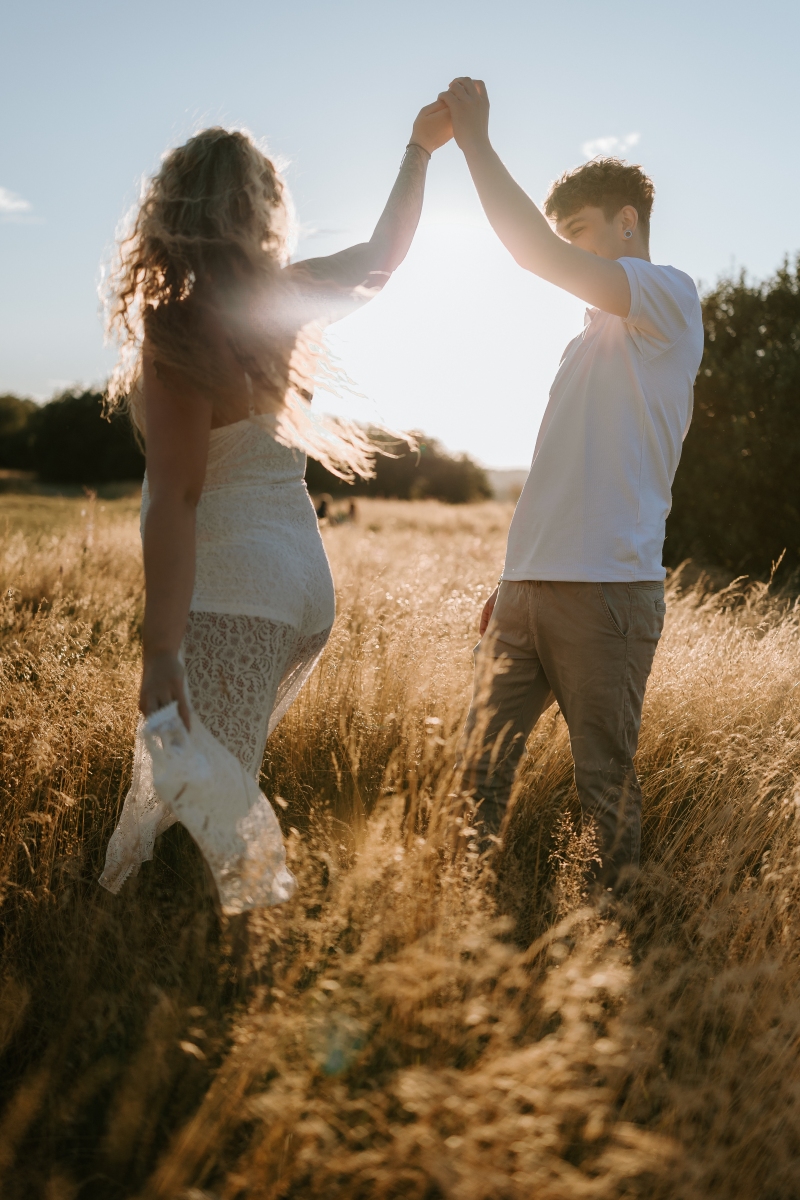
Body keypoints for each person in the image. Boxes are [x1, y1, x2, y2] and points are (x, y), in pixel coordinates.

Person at [99, 103, 453, 906]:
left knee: (205, 811)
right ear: (264, 208)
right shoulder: (292, 296)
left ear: (172, 209)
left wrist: (160, 650)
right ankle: (215, 931)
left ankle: (239, 937)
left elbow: (178, 495)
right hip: (300, 586)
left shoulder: (179, 327)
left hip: (235, 591)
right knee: (208, 787)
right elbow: (384, 255)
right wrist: (419, 148)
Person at [441, 78, 703, 892]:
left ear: (628, 221)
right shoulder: (582, 343)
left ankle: (617, 939)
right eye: (567, 239)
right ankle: (454, 930)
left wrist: (476, 143)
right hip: (527, 592)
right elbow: (563, 467)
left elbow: (532, 254)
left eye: (582, 232)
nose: (571, 252)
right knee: (475, 771)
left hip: (608, 593)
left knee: (604, 787)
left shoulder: (669, 300)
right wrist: (512, 576)